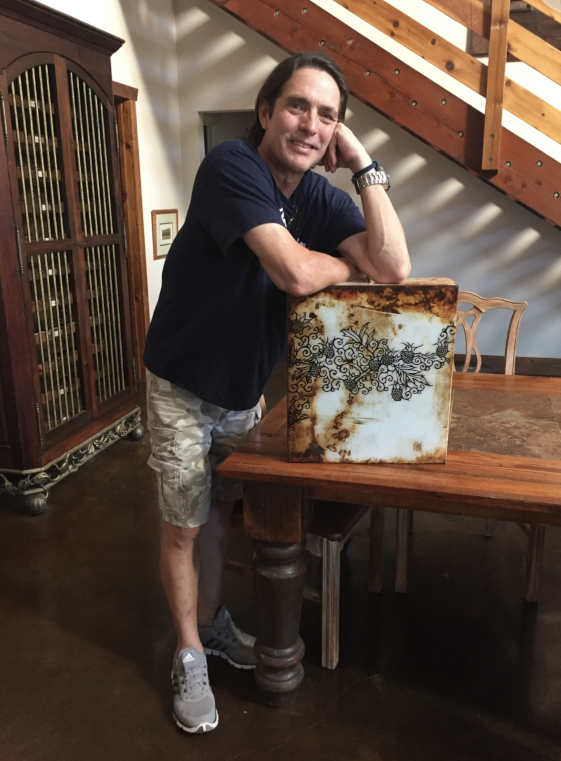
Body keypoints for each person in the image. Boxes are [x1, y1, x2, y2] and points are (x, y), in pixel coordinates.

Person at [143, 51, 410, 734]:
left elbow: (393, 268)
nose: (311, 124)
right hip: (181, 383)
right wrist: (336, 264)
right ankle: (189, 652)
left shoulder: (318, 197)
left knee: (223, 513)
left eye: (328, 116)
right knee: (184, 522)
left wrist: (363, 163)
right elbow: (293, 273)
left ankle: (212, 622)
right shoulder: (232, 166)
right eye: (297, 106)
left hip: (243, 388)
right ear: (266, 112)